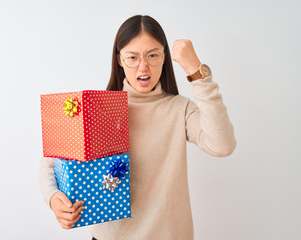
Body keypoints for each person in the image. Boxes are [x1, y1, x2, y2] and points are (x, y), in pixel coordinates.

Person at [39, 15, 236, 240]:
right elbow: (52, 160)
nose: (143, 67)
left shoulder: (180, 109)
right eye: (132, 57)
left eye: (153, 55)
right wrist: (53, 197)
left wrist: (198, 74)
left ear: (164, 58)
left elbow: (223, 145)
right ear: (120, 60)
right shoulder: (99, 108)